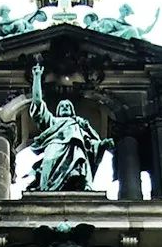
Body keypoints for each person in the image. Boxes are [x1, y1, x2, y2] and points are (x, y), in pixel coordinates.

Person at [25, 63, 113, 193]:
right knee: (48, 169)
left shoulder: (79, 124)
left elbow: (90, 142)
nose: (65, 107)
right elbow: (37, 103)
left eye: (68, 106)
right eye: (62, 106)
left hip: (76, 149)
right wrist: (37, 78)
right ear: (57, 111)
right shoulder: (52, 121)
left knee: (78, 172)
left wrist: (102, 144)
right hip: (54, 149)